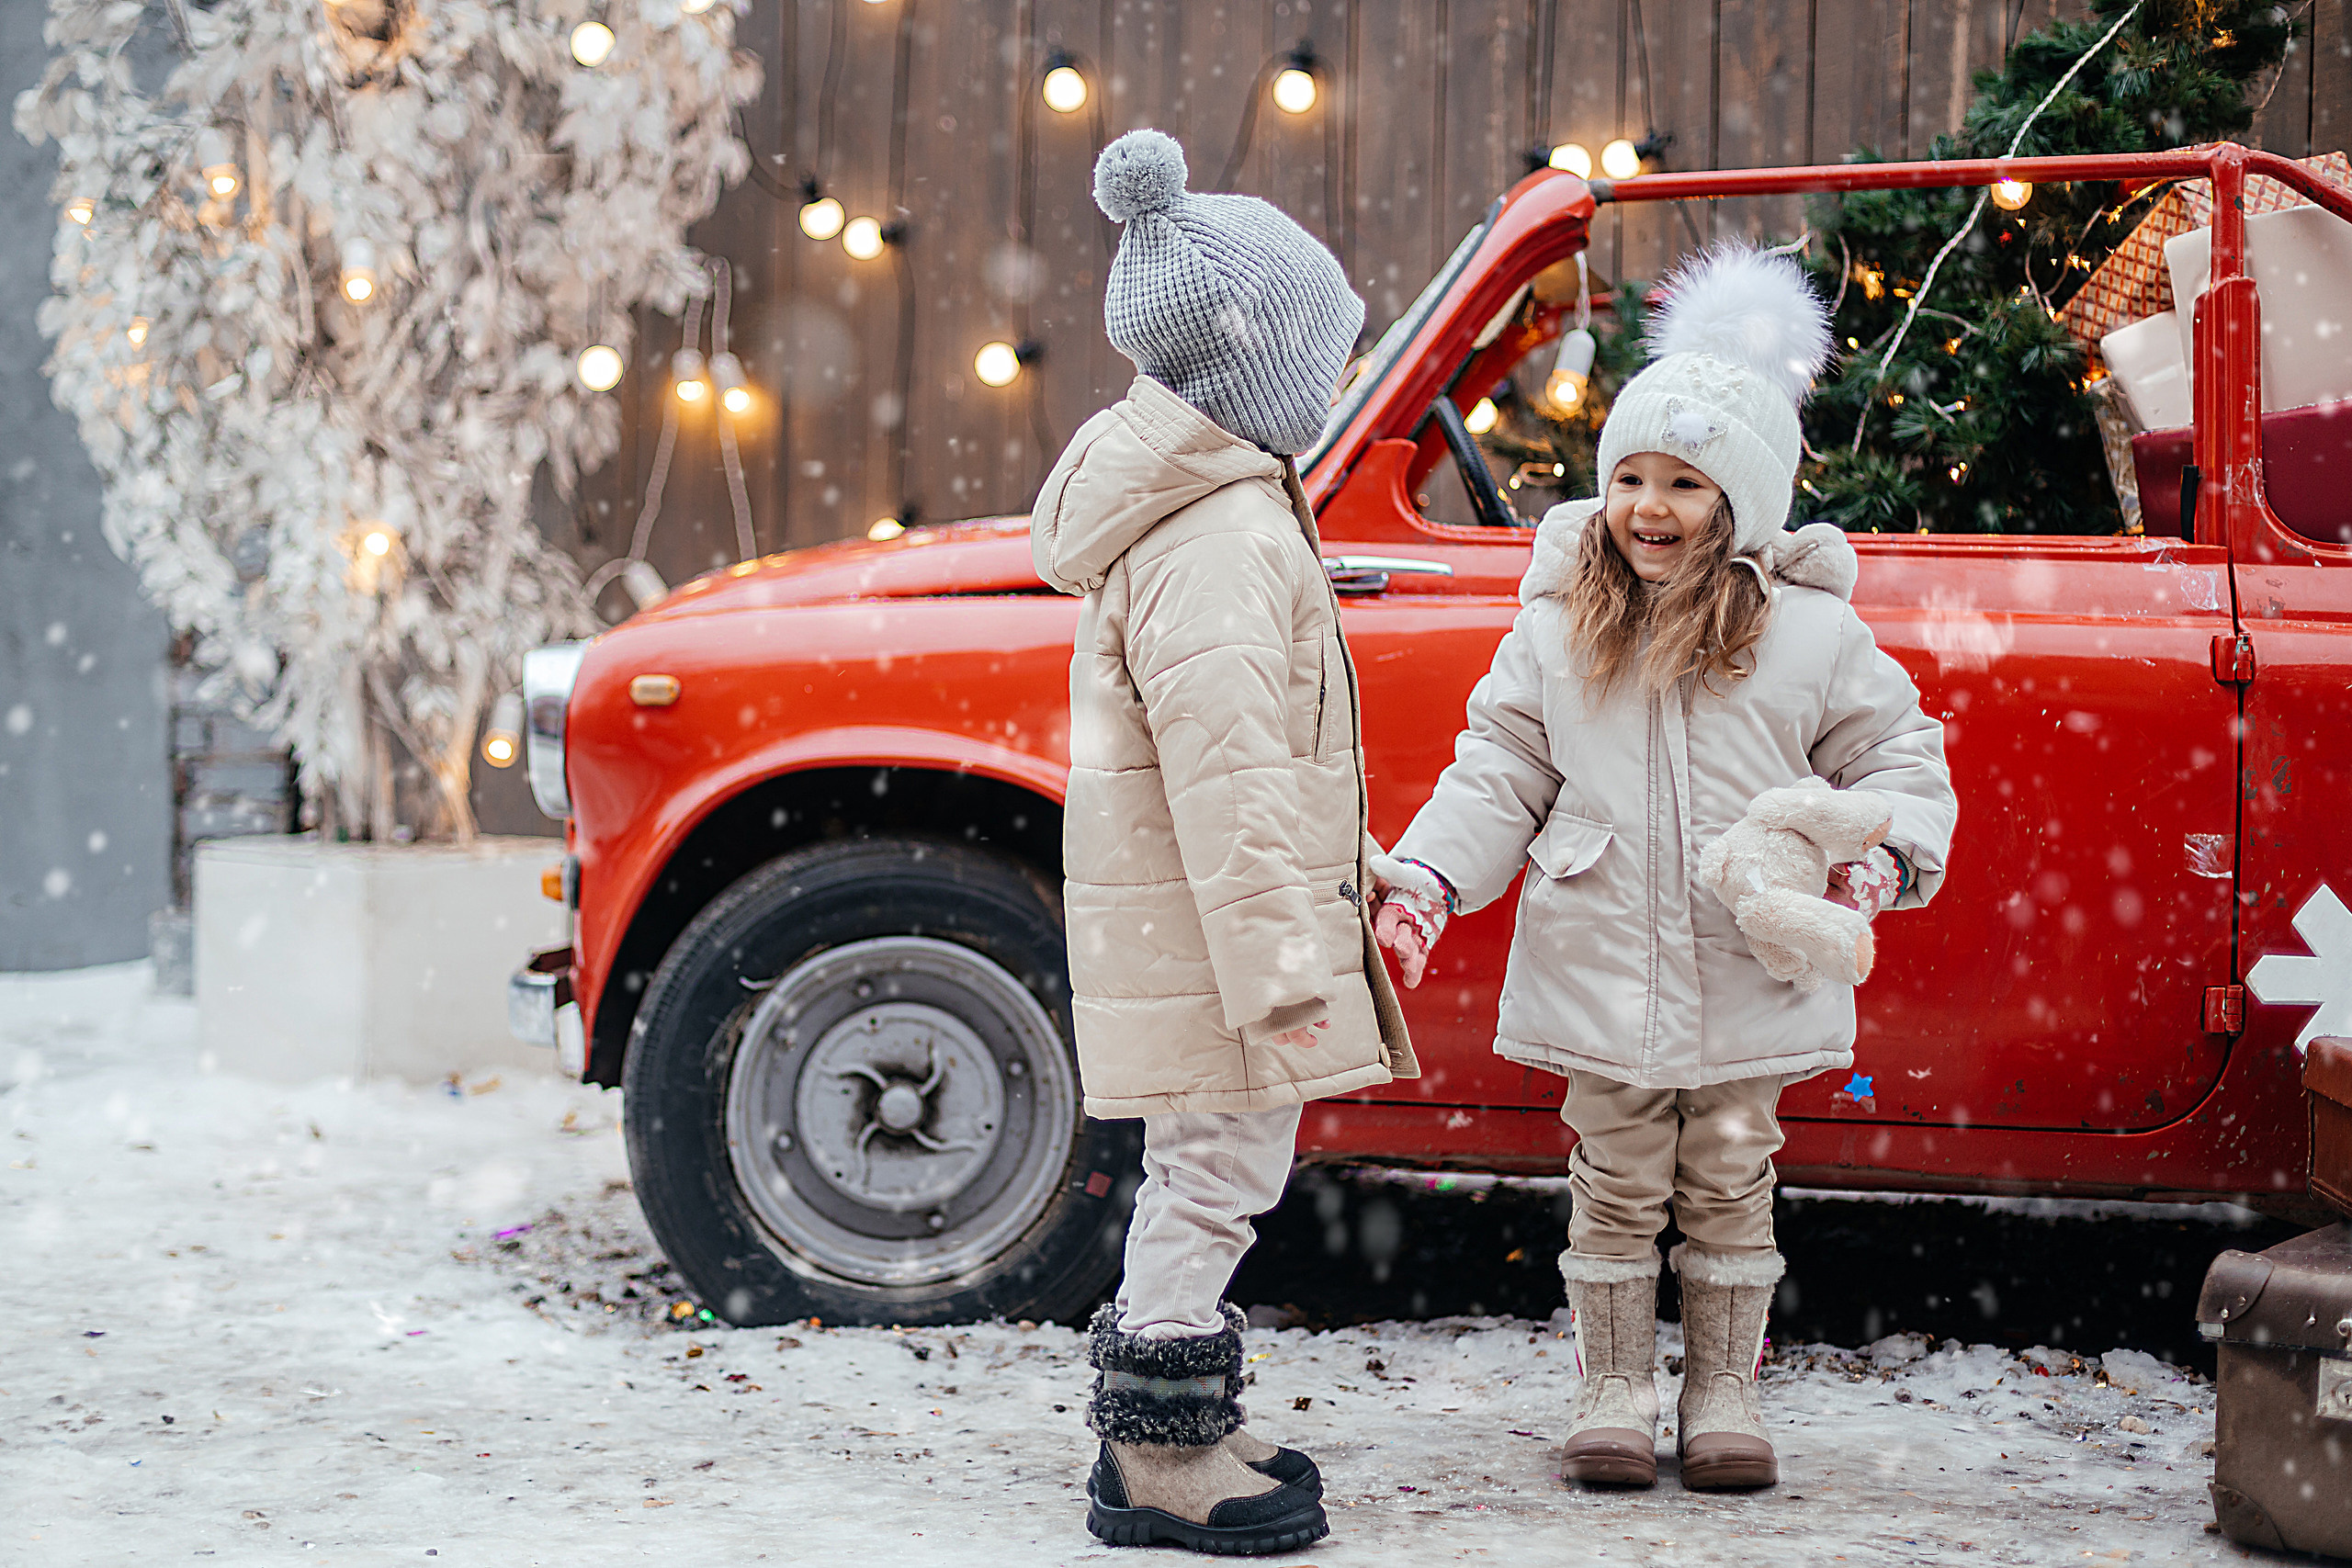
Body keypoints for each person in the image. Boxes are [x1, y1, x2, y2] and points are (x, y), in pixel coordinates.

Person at [1370, 243, 1956, 1492]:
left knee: (1734, 1177)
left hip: (1752, 957)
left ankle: (1725, 1391)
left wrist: (1876, 855)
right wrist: (1427, 877)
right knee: (1616, 1183)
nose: (1650, 505)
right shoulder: (1558, 627)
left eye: (1686, 482)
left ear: (1742, 503)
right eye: (1630, 477)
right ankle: (1615, 1389)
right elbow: (1500, 770)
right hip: (1603, 953)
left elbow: (1901, 756)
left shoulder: (1809, 632)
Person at [1030, 128, 1418, 1553]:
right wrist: (1281, 965)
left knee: (1207, 1171)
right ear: (1263, 373)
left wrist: (1347, 867)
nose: (1338, 381)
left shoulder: (1212, 507)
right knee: (1215, 1179)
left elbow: (1265, 764)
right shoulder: (1221, 538)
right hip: (1219, 939)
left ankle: (1179, 1410)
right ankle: (1156, 1453)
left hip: (1200, 920)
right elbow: (1232, 774)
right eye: (1329, 357)